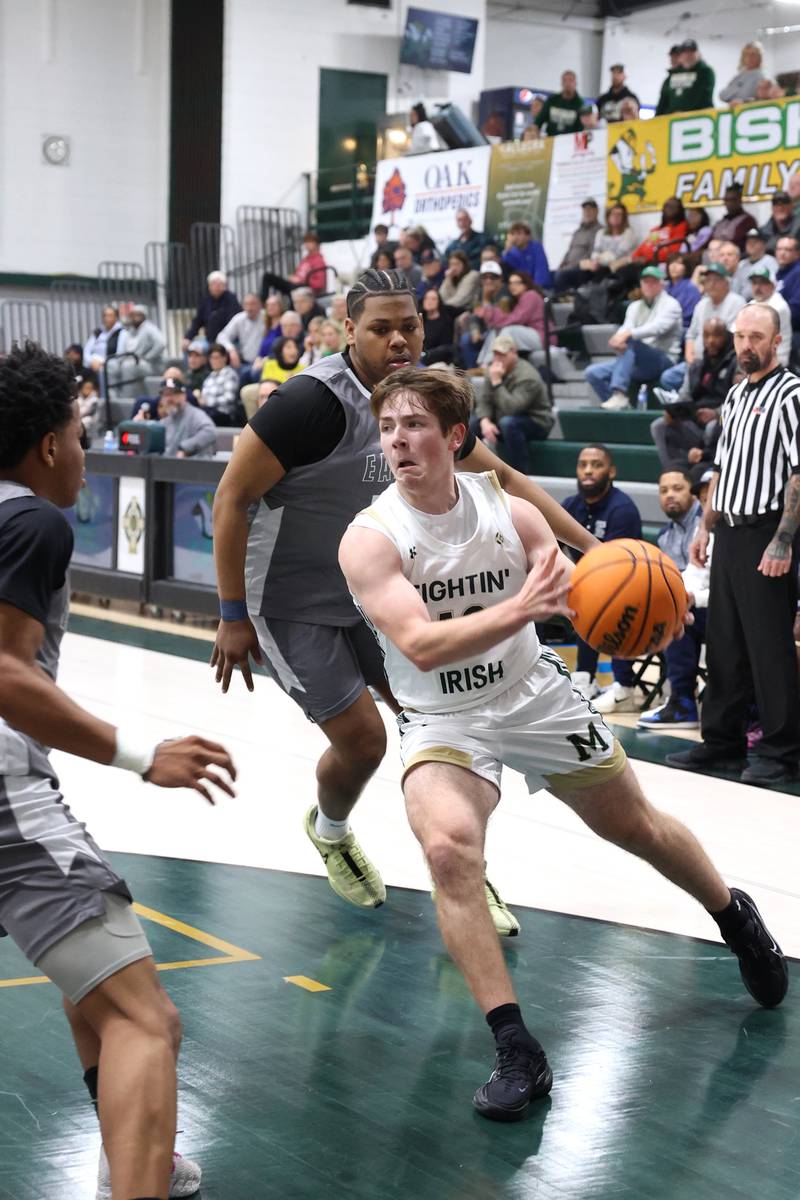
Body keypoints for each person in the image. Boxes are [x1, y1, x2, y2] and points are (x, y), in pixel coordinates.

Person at [340, 364, 788, 1122]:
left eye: (414, 425)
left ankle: (732, 915)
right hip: (441, 716)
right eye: (388, 428)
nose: (398, 441)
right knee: (448, 849)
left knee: (637, 827)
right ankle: (517, 1047)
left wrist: (655, 612)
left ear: (455, 436)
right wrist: (524, 606)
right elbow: (418, 644)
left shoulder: (511, 513)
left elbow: (589, 602)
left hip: (532, 694)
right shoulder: (370, 538)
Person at [210, 269, 597, 936]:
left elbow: (503, 479)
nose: (398, 340)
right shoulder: (309, 403)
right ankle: (330, 830)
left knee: (443, 725)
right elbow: (231, 498)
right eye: (380, 328)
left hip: (381, 593)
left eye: (409, 327)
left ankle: (460, 865)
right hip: (291, 601)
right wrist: (231, 614)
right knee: (364, 743)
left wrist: (593, 549)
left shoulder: (421, 401)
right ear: (348, 329)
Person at [0, 343, 236, 1199]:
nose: (85, 445)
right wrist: (143, 756)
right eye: (78, 430)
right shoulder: (33, 521)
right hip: (7, 802)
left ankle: (138, 1155)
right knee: (146, 1018)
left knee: (94, 980)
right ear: (49, 445)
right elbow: (5, 674)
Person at [668, 304, 800, 786]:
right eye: (740, 336)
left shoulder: (792, 394)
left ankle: (783, 751)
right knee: (724, 643)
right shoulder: (737, 392)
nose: (746, 345)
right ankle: (721, 742)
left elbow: (798, 473)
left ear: (776, 340)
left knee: (769, 647)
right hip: (728, 531)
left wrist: (783, 540)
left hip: (768, 532)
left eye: (756, 337)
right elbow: (721, 468)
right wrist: (705, 527)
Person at [562, 444, 643, 710]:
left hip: (626, 585)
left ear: (612, 471)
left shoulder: (623, 509)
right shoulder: (570, 505)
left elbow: (617, 567)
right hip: (581, 582)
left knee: (597, 600)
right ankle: (576, 678)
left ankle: (621, 685)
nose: (588, 470)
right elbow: (549, 547)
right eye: (583, 464)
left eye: (596, 465)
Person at [638, 470, 706, 729]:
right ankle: (622, 685)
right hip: (689, 603)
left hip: (714, 604)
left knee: (675, 615)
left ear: (694, 494)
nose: (670, 495)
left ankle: (683, 702)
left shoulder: (707, 526)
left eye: (677, 488)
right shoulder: (665, 535)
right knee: (627, 606)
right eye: (664, 490)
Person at [585, 266, 683, 410]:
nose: (649, 285)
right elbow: (626, 327)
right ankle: (622, 409)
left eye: (653, 282)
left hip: (663, 359)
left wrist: (628, 335)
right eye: (646, 282)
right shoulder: (634, 306)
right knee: (593, 373)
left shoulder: (671, 304)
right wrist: (617, 338)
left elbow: (658, 327)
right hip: (636, 360)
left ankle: (619, 393)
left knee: (631, 341)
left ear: (661, 284)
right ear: (640, 284)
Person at [651, 319, 736, 472]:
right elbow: (684, 395)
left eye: (716, 335)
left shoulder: (736, 364)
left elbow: (740, 401)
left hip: (722, 423)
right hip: (695, 419)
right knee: (659, 426)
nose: (711, 341)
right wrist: (673, 411)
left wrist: (717, 414)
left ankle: (709, 472)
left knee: (712, 427)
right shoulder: (697, 365)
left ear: (726, 336)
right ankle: (673, 473)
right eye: (706, 336)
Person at [469, 334, 553, 472]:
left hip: (536, 421)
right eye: (495, 354)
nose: (497, 359)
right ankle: (472, 470)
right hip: (504, 417)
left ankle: (519, 473)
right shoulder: (493, 370)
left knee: (508, 423)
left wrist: (497, 383)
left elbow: (512, 408)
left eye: (502, 355)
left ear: (514, 352)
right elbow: (484, 400)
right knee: (473, 424)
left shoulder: (528, 376)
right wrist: (485, 420)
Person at [660, 263, 746, 393]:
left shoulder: (737, 302)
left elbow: (730, 338)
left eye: (716, 280)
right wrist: (689, 357)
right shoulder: (701, 304)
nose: (711, 284)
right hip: (697, 361)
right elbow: (691, 335)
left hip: (722, 362)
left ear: (727, 283)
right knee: (668, 377)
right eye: (708, 280)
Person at [551, 200, 603, 293]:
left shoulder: (599, 231)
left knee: (561, 275)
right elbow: (569, 251)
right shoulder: (578, 232)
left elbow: (592, 254)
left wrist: (574, 265)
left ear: (596, 211)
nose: (587, 212)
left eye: (590, 209)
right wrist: (562, 264)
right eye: (585, 210)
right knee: (551, 275)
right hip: (569, 267)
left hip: (584, 268)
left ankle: (563, 299)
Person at [259, 231, 328, 300]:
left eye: (310, 242)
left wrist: (300, 280)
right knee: (267, 277)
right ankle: (263, 302)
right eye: (306, 242)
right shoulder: (305, 259)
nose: (306, 244)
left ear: (316, 244)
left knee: (292, 290)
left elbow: (319, 283)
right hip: (295, 285)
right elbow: (298, 275)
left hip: (305, 288)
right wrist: (293, 278)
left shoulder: (319, 261)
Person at [656, 39, 715, 116]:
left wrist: (684, 113)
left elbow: (704, 98)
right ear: (681, 55)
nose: (688, 56)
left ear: (698, 54)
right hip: (671, 119)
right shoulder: (672, 76)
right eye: (685, 52)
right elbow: (663, 101)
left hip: (696, 118)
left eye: (691, 52)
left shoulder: (705, 72)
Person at [160, 378, 217, 457]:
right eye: (165, 395)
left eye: (173, 393)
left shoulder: (195, 415)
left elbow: (210, 432)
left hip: (195, 463)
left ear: (183, 396)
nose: (169, 399)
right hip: (169, 464)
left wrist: (185, 448)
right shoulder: (164, 421)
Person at [183, 271, 241, 350]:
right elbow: (197, 321)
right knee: (190, 349)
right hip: (209, 341)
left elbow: (232, 320)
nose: (216, 287)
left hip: (228, 342)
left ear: (224, 286)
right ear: (209, 286)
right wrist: (188, 338)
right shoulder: (205, 301)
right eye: (213, 284)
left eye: (219, 284)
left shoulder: (231, 300)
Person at [217, 293, 266, 382]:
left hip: (263, 362)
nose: (250, 308)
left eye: (253, 304)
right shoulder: (239, 318)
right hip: (244, 363)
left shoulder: (266, 317)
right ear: (243, 306)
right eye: (247, 304)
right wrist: (231, 350)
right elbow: (221, 337)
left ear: (260, 305)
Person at [749, 265, 792, 366]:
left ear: (773, 285)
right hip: (756, 356)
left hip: (776, 361)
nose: (757, 287)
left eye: (762, 283)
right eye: (754, 283)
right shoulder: (752, 303)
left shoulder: (778, 306)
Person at [632, 197, 689, 266]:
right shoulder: (657, 229)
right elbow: (644, 246)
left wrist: (647, 258)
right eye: (667, 206)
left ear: (679, 210)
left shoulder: (681, 227)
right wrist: (636, 257)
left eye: (673, 206)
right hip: (644, 261)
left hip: (657, 263)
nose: (669, 208)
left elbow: (672, 252)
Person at [588, 203, 637, 276]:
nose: (616, 217)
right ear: (608, 216)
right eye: (613, 214)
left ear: (624, 218)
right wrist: (595, 260)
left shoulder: (629, 233)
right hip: (599, 265)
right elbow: (596, 251)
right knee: (575, 272)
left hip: (620, 267)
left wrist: (598, 260)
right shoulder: (600, 233)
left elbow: (617, 255)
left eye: (619, 215)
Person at [199, 343, 242, 426]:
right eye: (211, 358)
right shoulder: (209, 377)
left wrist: (208, 402)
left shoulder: (230, 375)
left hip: (223, 414)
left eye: (216, 357)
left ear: (224, 358)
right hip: (208, 411)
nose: (213, 361)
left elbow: (229, 398)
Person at [532, 71, 584, 136]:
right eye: (565, 80)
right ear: (561, 83)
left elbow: (582, 127)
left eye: (570, 80)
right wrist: (533, 135)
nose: (568, 83)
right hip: (551, 139)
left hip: (570, 140)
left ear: (575, 83)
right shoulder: (552, 100)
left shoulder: (580, 104)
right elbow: (539, 121)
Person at [502, 222, 551, 289]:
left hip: (539, 288)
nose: (515, 237)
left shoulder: (536, 247)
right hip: (520, 288)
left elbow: (541, 271)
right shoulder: (511, 252)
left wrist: (536, 288)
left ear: (528, 236)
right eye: (513, 234)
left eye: (519, 233)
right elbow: (507, 268)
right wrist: (506, 250)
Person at [710, 185, 758, 252]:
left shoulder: (748, 221)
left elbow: (744, 244)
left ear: (739, 200)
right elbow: (710, 240)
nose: (729, 203)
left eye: (732, 200)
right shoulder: (720, 222)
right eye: (727, 200)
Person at [732, 230, 777, 300]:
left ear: (763, 244)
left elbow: (773, 287)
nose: (751, 245)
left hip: (762, 300)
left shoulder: (771, 262)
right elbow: (735, 288)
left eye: (755, 242)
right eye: (748, 242)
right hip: (743, 302)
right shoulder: (741, 264)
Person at [775, 235, 800, 357]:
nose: (782, 253)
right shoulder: (779, 273)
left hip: (793, 330)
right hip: (779, 326)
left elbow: (796, 311)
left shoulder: (798, 272)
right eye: (779, 249)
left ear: (797, 253)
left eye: (788, 250)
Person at [665, 254, 701, 330]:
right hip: (665, 326)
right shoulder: (665, 288)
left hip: (684, 328)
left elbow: (689, 315)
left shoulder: (691, 288)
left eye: (679, 263)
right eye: (671, 263)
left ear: (686, 268)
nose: (674, 266)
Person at [420, 288, 456, 364]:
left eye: (433, 299)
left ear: (439, 302)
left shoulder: (445, 322)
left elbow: (446, 348)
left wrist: (426, 355)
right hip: (419, 358)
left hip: (437, 361)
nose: (429, 301)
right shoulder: (419, 319)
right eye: (426, 298)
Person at [83, 306, 123, 372]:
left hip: (110, 367)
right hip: (93, 365)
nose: (106, 318)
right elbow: (87, 351)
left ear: (116, 317)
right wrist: (91, 361)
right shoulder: (98, 332)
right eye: (104, 316)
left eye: (109, 316)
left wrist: (101, 363)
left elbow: (120, 353)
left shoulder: (121, 332)